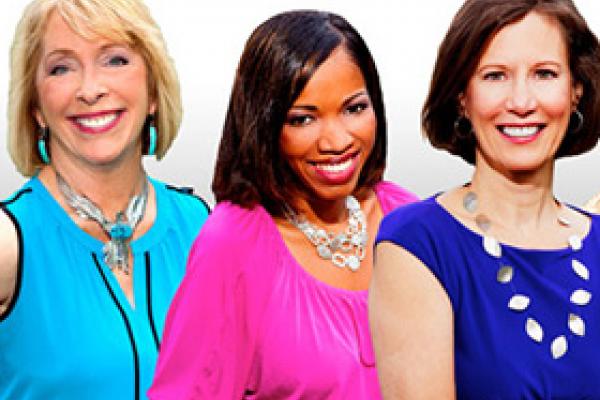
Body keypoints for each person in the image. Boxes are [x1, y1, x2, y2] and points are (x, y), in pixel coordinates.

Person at [148, 10, 417, 399]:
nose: (336, 140)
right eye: (303, 119)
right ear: (264, 124)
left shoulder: (406, 218)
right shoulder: (234, 242)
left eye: (354, 108)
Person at [369, 0, 600, 398]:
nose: (522, 102)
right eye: (495, 76)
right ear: (462, 96)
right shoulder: (418, 244)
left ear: (576, 90)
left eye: (544, 74)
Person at [0, 1, 209, 398]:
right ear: (36, 107)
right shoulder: (8, 242)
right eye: (61, 67)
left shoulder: (198, 226)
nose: (91, 89)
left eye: (115, 60)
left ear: (152, 91)